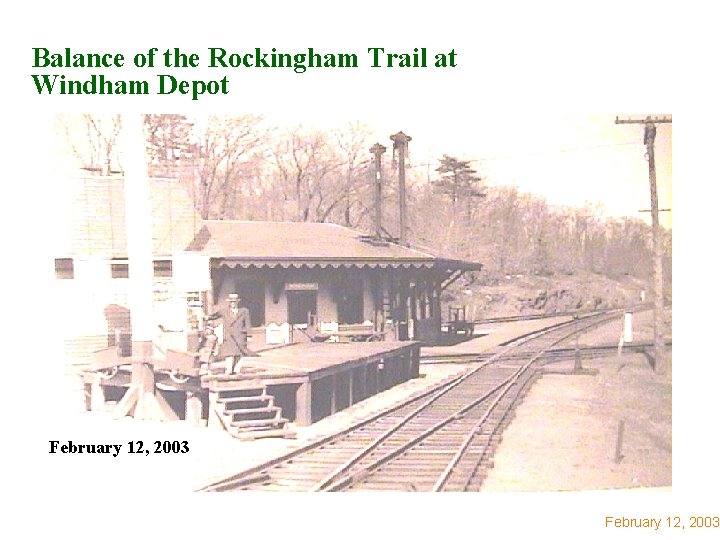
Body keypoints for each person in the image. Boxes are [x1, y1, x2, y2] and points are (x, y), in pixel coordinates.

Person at [210, 293, 255, 374]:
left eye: (235, 302)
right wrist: (206, 317)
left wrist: (249, 335)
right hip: (229, 336)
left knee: (239, 354)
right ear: (229, 302)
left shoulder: (244, 311)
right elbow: (214, 316)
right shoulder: (224, 311)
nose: (233, 303)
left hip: (240, 336)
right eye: (231, 302)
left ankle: (237, 370)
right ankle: (229, 370)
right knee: (229, 354)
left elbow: (248, 323)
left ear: (237, 302)